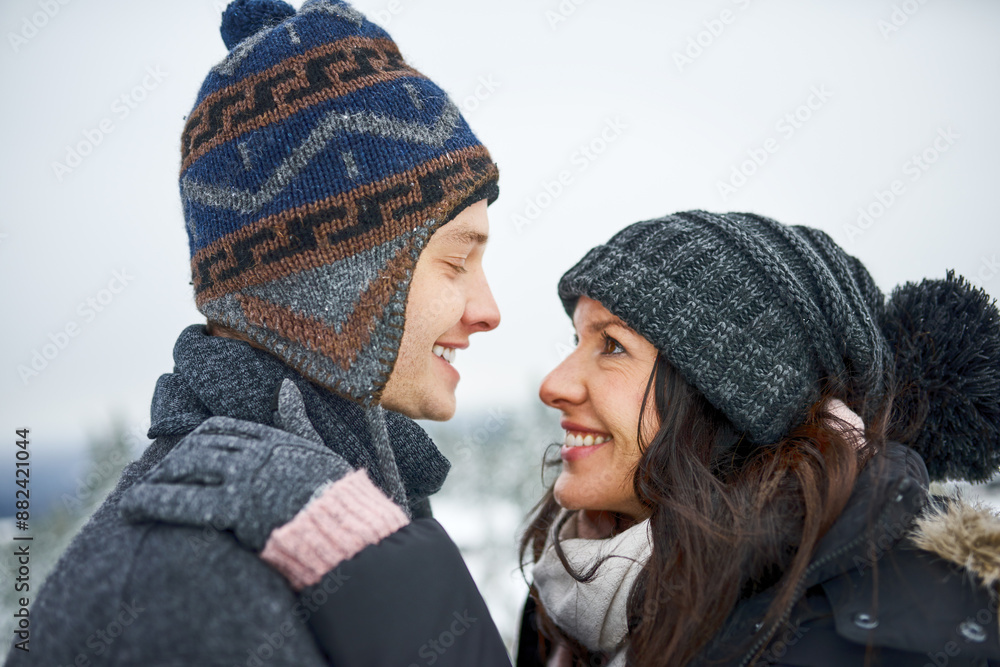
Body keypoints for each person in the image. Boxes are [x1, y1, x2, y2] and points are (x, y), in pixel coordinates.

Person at [7, 1, 514, 665]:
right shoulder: (177, 590)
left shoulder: (340, 506)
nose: (489, 309)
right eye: (455, 261)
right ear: (334, 279)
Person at [516, 210, 1000, 667]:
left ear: (734, 403)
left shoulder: (898, 636)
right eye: (577, 340)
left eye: (613, 345)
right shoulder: (566, 598)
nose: (553, 384)